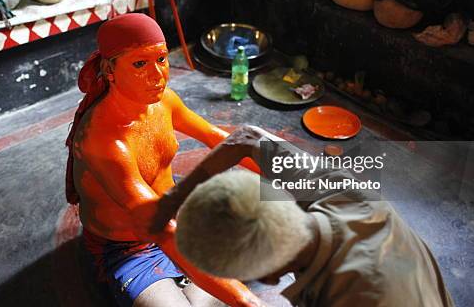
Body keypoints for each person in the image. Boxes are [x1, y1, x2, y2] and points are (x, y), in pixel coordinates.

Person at [65, 13, 264, 307]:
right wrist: (250, 303)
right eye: (139, 64)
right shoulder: (103, 141)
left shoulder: (164, 101)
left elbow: (222, 140)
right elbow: (161, 228)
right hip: (127, 248)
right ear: (110, 70)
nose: (157, 75)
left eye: (161, 59)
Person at [148, 126, 455, 307]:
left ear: (267, 276)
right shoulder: (335, 189)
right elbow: (247, 137)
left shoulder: (351, 294)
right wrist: (173, 199)